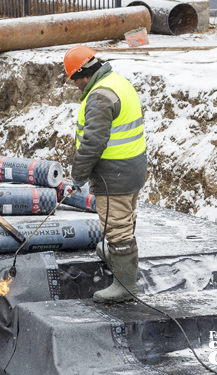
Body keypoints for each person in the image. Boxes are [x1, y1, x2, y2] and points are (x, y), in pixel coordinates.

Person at [64, 45, 147, 304]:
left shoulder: (100, 97)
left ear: (84, 74)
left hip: (114, 175)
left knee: (116, 226)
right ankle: (117, 257)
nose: (76, 85)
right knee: (125, 216)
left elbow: (92, 143)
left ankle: (125, 286)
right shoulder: (117, 82)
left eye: (75, 80)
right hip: (132, 168)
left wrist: (78, 176)